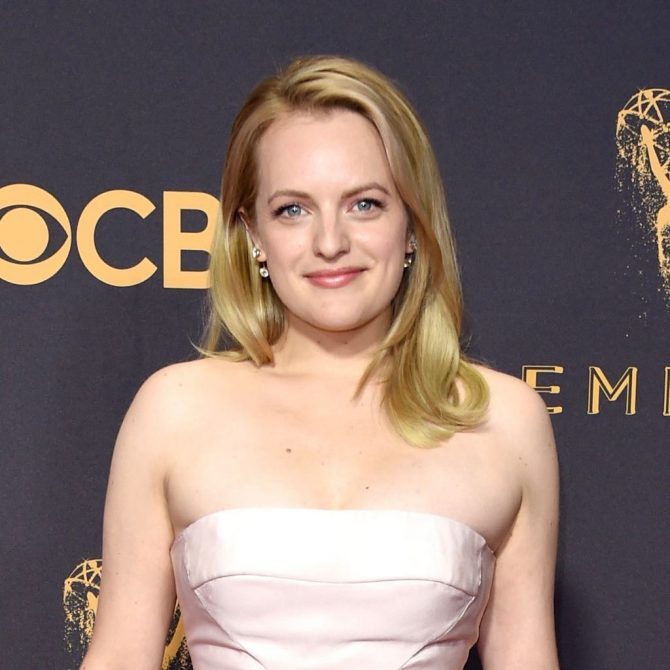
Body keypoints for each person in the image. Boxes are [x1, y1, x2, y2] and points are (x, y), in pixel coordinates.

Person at [82, 55, 560, 669]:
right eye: (293, 209)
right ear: (252, 234)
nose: (330, 242)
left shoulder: (503, 419)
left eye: (365, 204)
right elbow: (120, 655)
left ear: (412, 224)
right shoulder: (174, 410)